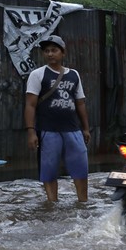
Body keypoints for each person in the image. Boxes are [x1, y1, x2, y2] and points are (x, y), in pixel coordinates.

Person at [24, 35, 91, 202]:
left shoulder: (74, 75)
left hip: (73, 130)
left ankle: (83, 203)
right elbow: (30, 105)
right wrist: (31, 132)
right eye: (46, 51)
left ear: (63, 53)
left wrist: (85, 128)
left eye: (54, 50)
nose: (50, 54)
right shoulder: (37, 75)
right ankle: (52, 205)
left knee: (81, 169)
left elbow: (80, 103)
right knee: (49, 171)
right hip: (48, 131)